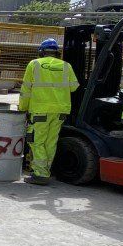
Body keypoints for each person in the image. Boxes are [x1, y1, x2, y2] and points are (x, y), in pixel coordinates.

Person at [17, 37, 78, 186]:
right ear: (57, 52)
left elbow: (26, 90)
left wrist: (22, 108)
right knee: (51, 142)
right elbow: (74, 87)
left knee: (37, 141)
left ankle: (40, 174)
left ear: (41, 52)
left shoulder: (34, 64)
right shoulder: (66, 66)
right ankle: (46, 171)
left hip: (40, 111)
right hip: (60, 112)